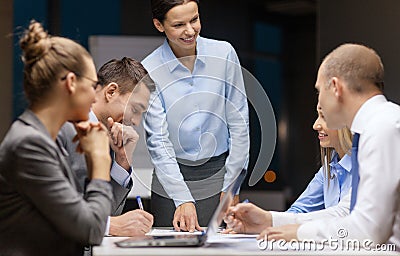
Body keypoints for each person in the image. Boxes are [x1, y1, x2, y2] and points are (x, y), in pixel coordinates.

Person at [235, 43, 400, 250]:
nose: (319, 101)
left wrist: (299, 233)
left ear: (335, 87)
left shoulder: (383, 127)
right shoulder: (379, 125)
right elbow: (346, 211)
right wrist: (273, 221)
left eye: (319, 90)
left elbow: (368, 229)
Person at [0, 20, 112, 255]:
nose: (95, 95)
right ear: (71, 83)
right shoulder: (29, 144)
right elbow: (91, 229)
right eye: (93, 85)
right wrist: (101, 159)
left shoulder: (42, 140)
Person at [142, 0, 250, 231]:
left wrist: (232, 187)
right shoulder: (149, 68)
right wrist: (181, 198)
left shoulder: (224, 54)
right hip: (170, 178)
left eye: (194, 19)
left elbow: (239, 123)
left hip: (218, 174)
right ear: (159, 25)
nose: (190, 31)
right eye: (179, 24)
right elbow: (158, 141)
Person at [58, 57, 155, 237]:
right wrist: (110, 226)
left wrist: (122, 160)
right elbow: (51, 206)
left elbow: (108, 212)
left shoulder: (108, 139)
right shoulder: (62, 127)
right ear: (111, 92)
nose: (135, 121)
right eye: (135, 109)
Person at [224, 105, 353, 232]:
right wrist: (256, 224)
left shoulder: (365, 164)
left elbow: (345, 216)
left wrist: (267, 220)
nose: (315, 125)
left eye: (323, 117)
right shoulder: (329, 167)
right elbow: (298, 210)